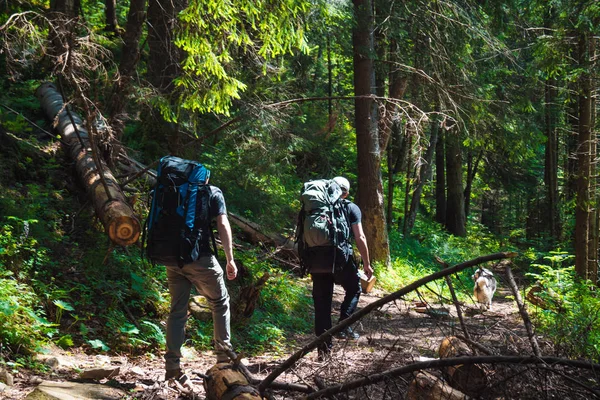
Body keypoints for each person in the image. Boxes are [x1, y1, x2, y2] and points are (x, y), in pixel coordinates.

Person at [161, 178, 238, 382]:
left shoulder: (176, 190)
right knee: (220, 302)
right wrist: (230, 259)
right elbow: (222, 223)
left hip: (172, 258)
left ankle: (172, 367)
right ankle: (223, 361)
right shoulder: (212, 191)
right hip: (199, 257)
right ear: (205, 177)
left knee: (177, 309)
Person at [310, 176, 373, 360]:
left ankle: (324, 353)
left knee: (321, 306)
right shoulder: (350, 207)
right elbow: (360, 237)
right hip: (340, 259)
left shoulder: (316, 207)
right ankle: (343, 326)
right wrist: (367, 264)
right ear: (345, 193)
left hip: (317, 260)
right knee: (354, 288)